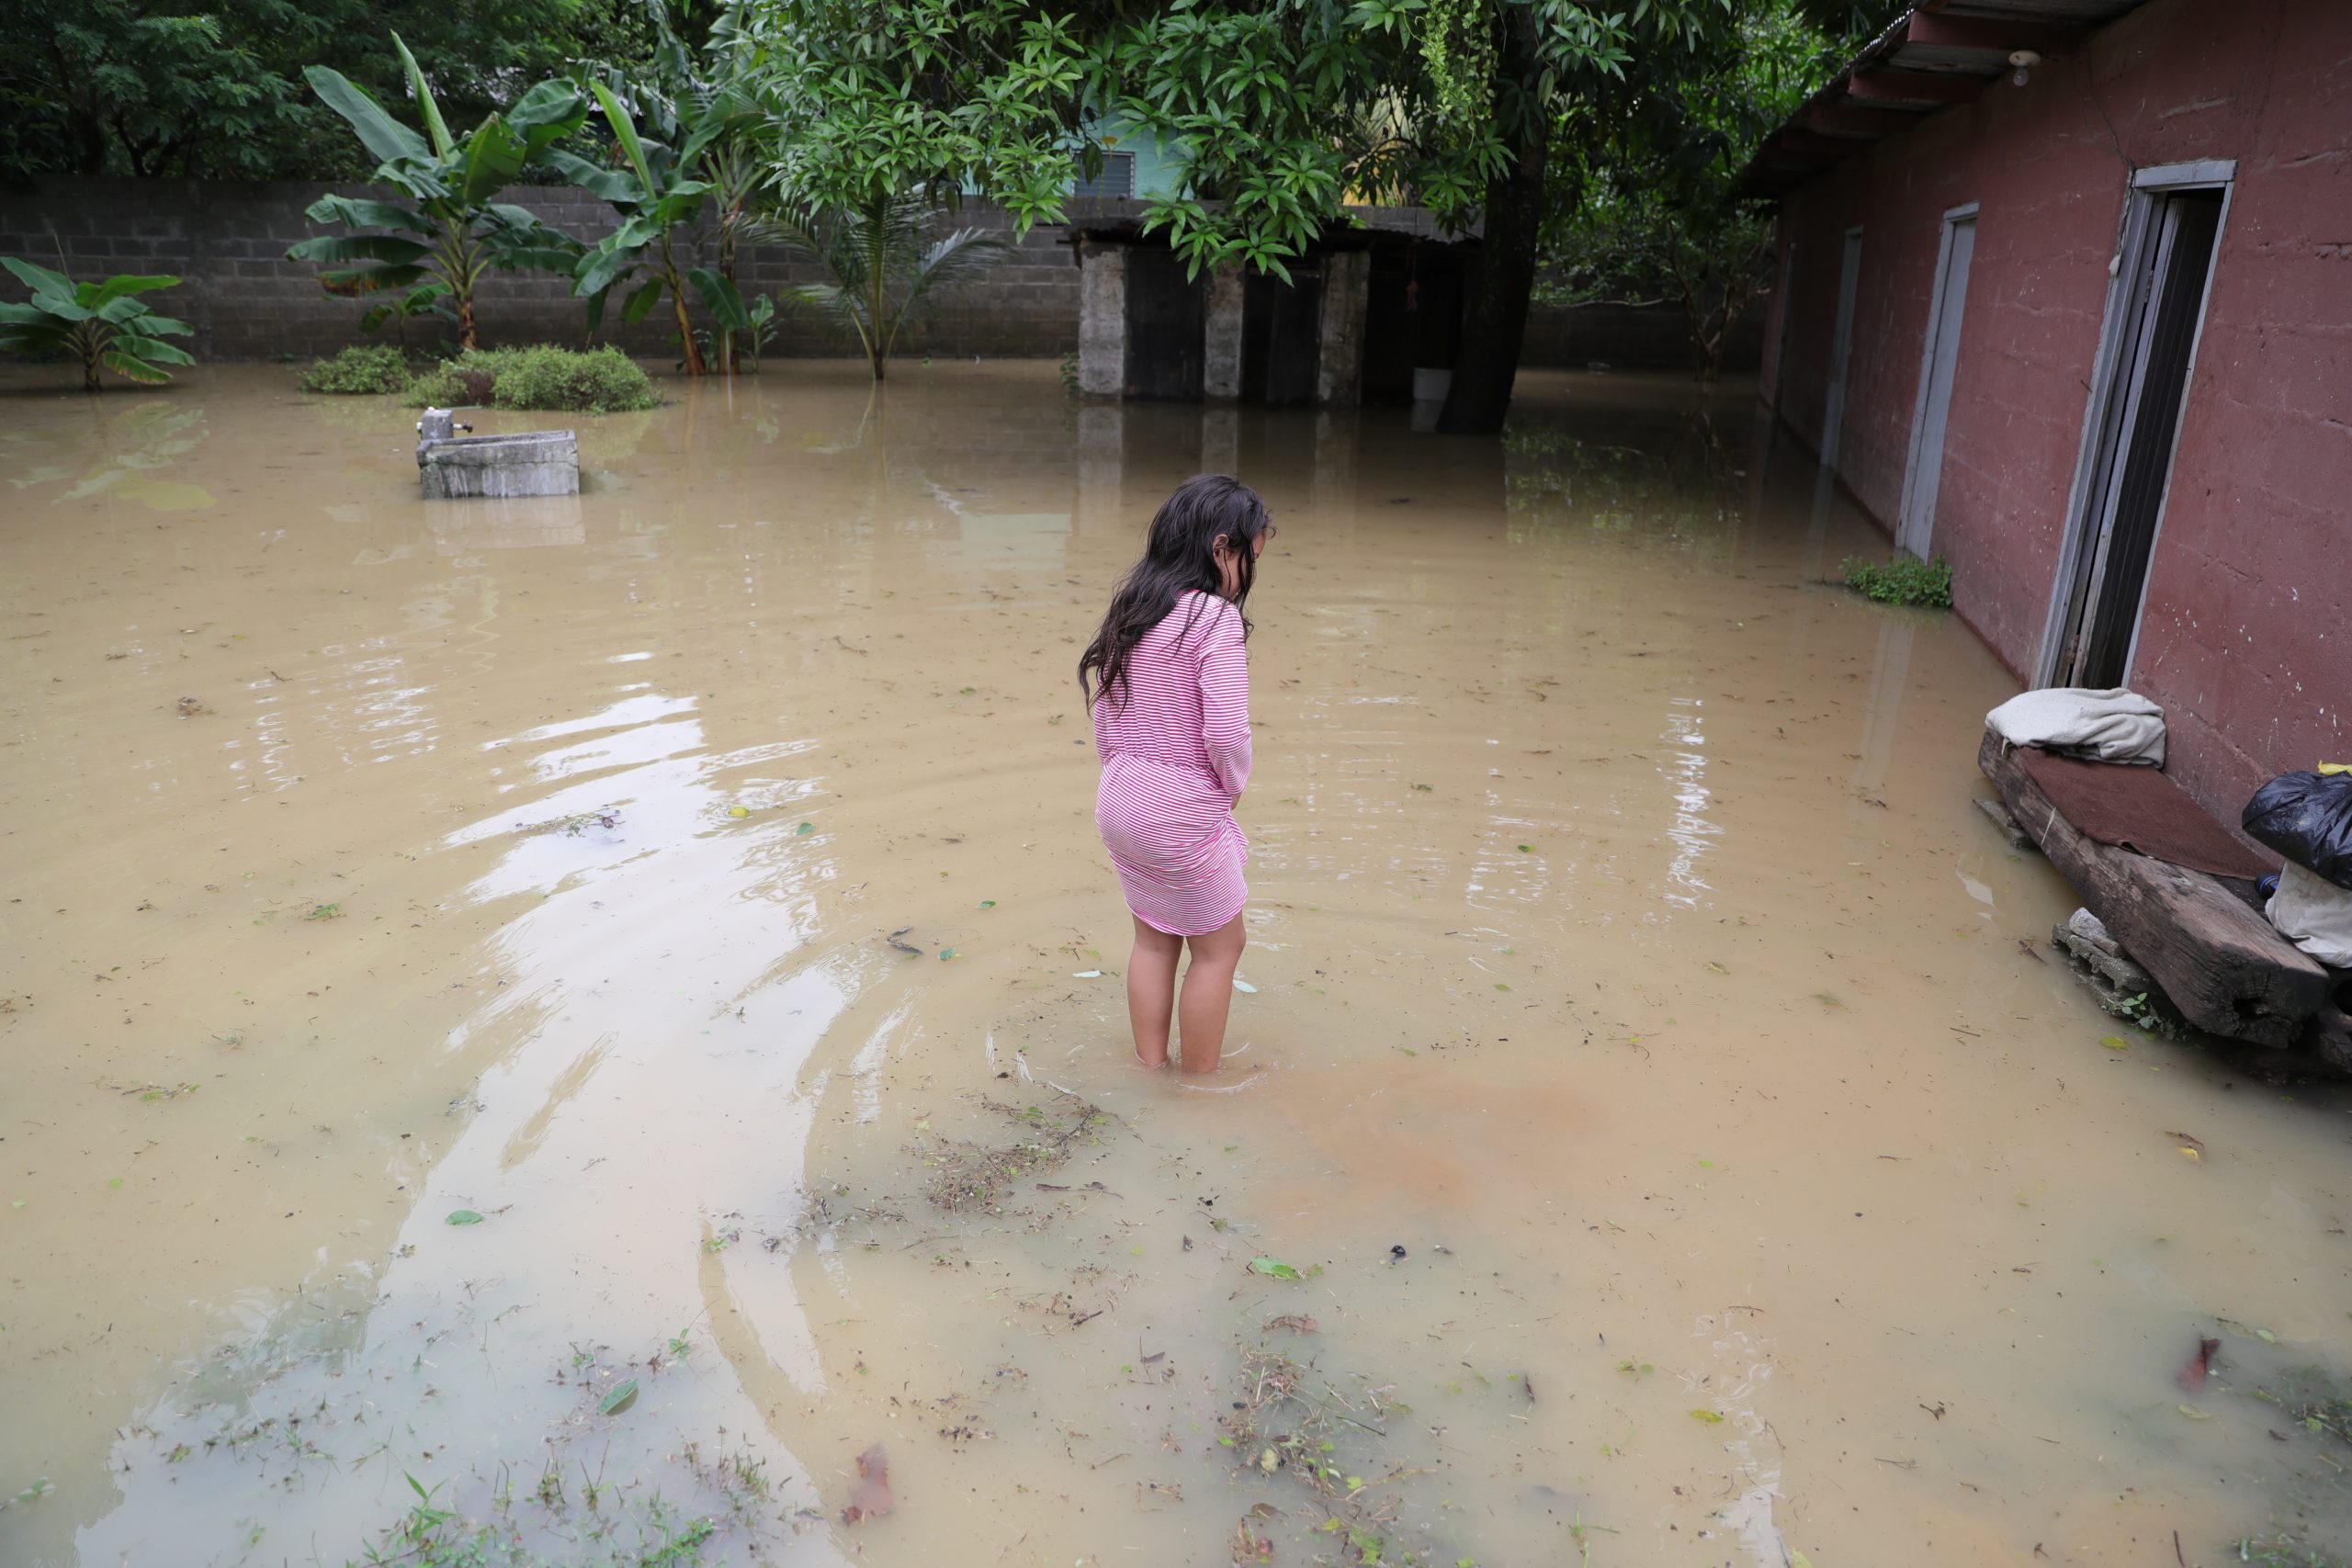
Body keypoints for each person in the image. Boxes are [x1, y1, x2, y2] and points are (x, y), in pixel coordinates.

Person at [1079, 474, 1275, 1073]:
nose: (1248, 575)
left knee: (1153, 939)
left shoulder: (1135, 606)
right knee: (1220, 949)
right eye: (1249, 557)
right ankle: (1198, 1085)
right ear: (1221, 549)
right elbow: (1225, 733)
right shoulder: (1213, 620)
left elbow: (1106, 715)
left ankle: (1149, 1068)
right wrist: (1230, 787)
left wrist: (1121, 773)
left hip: (1120, 796)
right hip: (1181, 804)